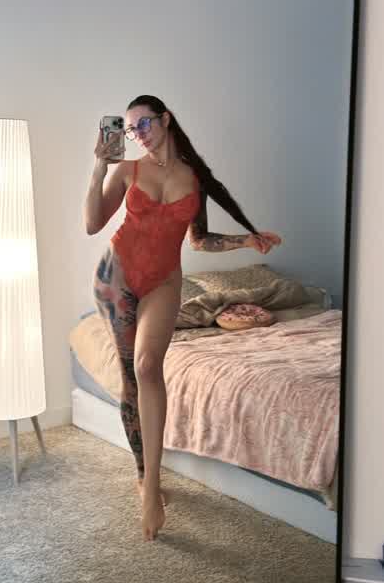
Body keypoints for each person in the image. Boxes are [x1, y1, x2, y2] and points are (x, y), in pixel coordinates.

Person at [84, 95, 281, 542]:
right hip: (115, 278)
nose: (138, 134)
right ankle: (143, 477)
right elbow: (93, 224)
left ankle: (153, 485)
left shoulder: (194, 178)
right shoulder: (127, 170)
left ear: (166, 119)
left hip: (163, 283)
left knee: (148, 366)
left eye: (144, 124)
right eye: (131, 129)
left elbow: (199, 240)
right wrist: (99, 167)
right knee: (130, 377)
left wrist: (247, 241)